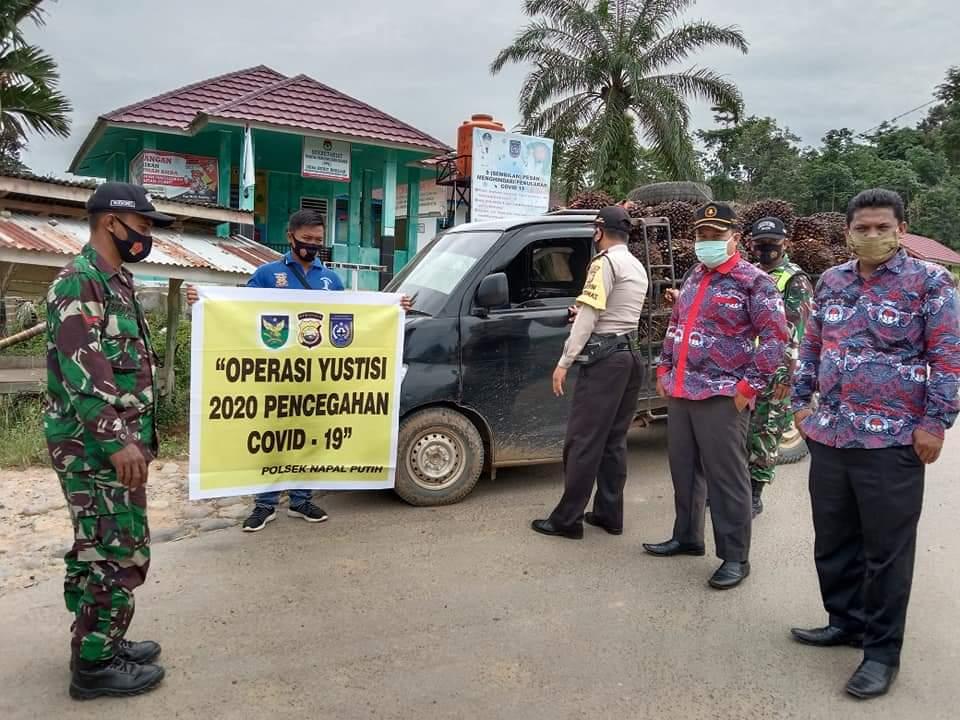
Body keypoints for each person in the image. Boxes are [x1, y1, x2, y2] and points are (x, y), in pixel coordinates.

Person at [790, 189, 960, 699]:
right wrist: (801, 405)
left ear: (901, 229)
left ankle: (882, 652)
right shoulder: (831, 280)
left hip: (893, 440)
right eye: (861, 228)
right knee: (835, 540)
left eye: (881, 227)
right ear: (848, 232)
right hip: (833, 432)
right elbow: (811, 343)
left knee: (886, 551)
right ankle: (846, 622)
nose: (871, 235)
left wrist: (936, 422)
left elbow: (950, 356)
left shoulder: (931, 282)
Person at [186, 209, 411, 532]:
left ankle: (301, 499)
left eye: (318, 240)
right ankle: (264, 504)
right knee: (273, 439)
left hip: (317, 378)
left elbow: (351, 320)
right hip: (276, 378)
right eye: (306, 239)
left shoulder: (330, 280)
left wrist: (394, 310)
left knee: (310, 438)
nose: (312, 245)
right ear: (290, 236)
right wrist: (203, 302)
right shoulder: (266, 274)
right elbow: (237, 313)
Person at [46, 182, 170, 699]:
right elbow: (85, 377)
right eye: (141, 227)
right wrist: (118, 442)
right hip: (96, 447)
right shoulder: (79, 283)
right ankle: (94, 669)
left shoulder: (115, 281)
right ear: (110, 223)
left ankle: (98, 641)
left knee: (94, 547)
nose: (146, 237)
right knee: (118, 553)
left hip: (113, 442)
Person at [643, 202, 788, 590]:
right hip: (682, 390)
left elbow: (776, 338)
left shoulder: (754, 281)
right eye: (702, 235)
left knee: (727, 480)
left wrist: (747, 388)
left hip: (723, 396)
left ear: (735, 238)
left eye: (716, 235)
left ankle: (735, 557)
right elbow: (677, 323)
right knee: (684, 470)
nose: (707, 242)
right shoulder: (694, 275)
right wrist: (663, 368)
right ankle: (687, 537)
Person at [531, 205, 648, 539]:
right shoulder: (635, 264)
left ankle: (567, 520)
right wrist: (580, 308)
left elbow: (590, 317)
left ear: (599, 231)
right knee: (613, 441)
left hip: (605, 361)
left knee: (582, 441)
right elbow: (608, 308)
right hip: (630, 357)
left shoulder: (605, 262)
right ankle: (610, 514)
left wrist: (564, 361)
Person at [745, 217, 814, 516]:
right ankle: (735, 486)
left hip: (776, 370)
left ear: (785, 243)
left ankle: (754, 493)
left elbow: (796, 328)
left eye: (772, 243)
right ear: (751, 244)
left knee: (766, 429)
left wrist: (787, 372)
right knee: (740, 431)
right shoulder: (749, 274)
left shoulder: (793, 279)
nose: (766, 249)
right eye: (761, 244)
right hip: (745, 365)